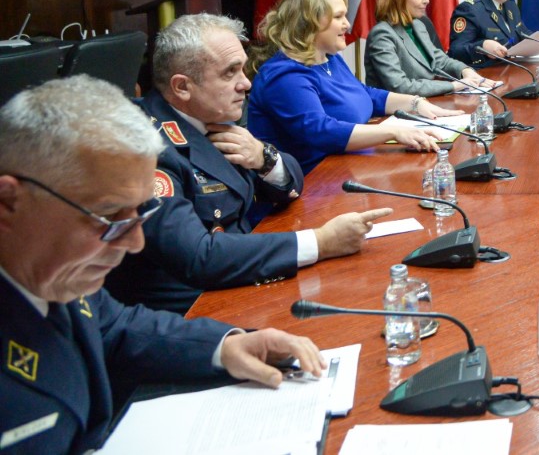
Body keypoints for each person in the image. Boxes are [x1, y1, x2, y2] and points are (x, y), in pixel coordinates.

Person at [0, 76, 327, 455]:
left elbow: (114, 327)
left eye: (139, 213)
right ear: (9, 202)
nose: (135, 242)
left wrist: (227, 346)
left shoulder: (51, 273)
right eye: (109, 217)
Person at [105, 14, 392, 314]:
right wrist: (320, 242)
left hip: (242, 280)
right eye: (230, 73)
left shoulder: (211, 116)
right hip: (194, 310)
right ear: (182, 87)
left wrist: (262, 157)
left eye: (242, 69)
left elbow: (291, 181)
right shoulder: (146, 149)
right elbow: (198, 257)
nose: (246, 83)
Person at [246, 0, 462, 174]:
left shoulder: (329, 58)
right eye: (338, 17)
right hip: (313, 183)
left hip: (349, 167)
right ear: (309, 22)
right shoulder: (285, 76)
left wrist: (415, 103)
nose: (347, 24)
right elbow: (319, 131)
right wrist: (393, 132)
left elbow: (364, 94)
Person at [365, 0, 498, 96]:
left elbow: (440, 61)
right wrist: (455, 85)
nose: (427, 0)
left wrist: (466, 71)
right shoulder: (382, 35)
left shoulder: (418, 25)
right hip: (396, 109)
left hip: (424, 102)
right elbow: (400, 86)